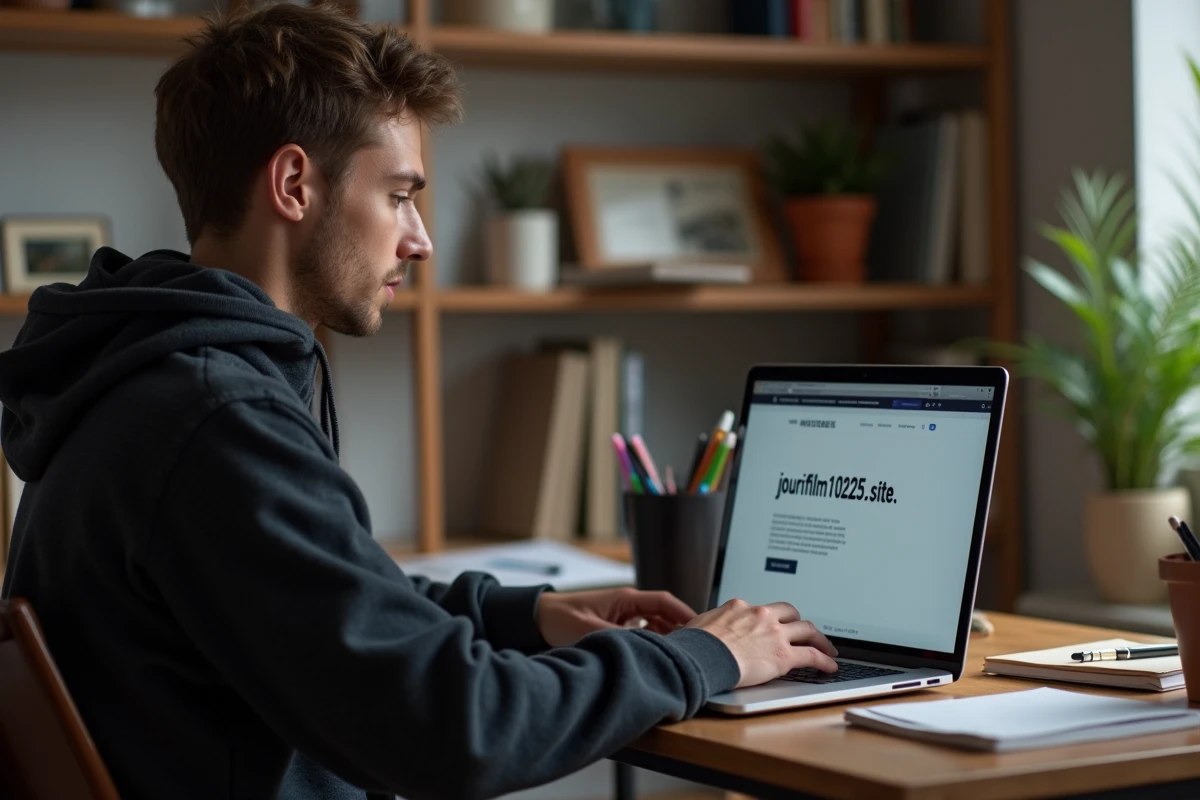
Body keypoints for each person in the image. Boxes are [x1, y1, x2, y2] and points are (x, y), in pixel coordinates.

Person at [0, 5, 838, 799]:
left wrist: (527, 615)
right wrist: (702, 656)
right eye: (400, 195)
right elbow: (455, 727)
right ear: (294, 183)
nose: (422, 240)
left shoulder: (145, 378)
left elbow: (324, 614)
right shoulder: (216, 420)